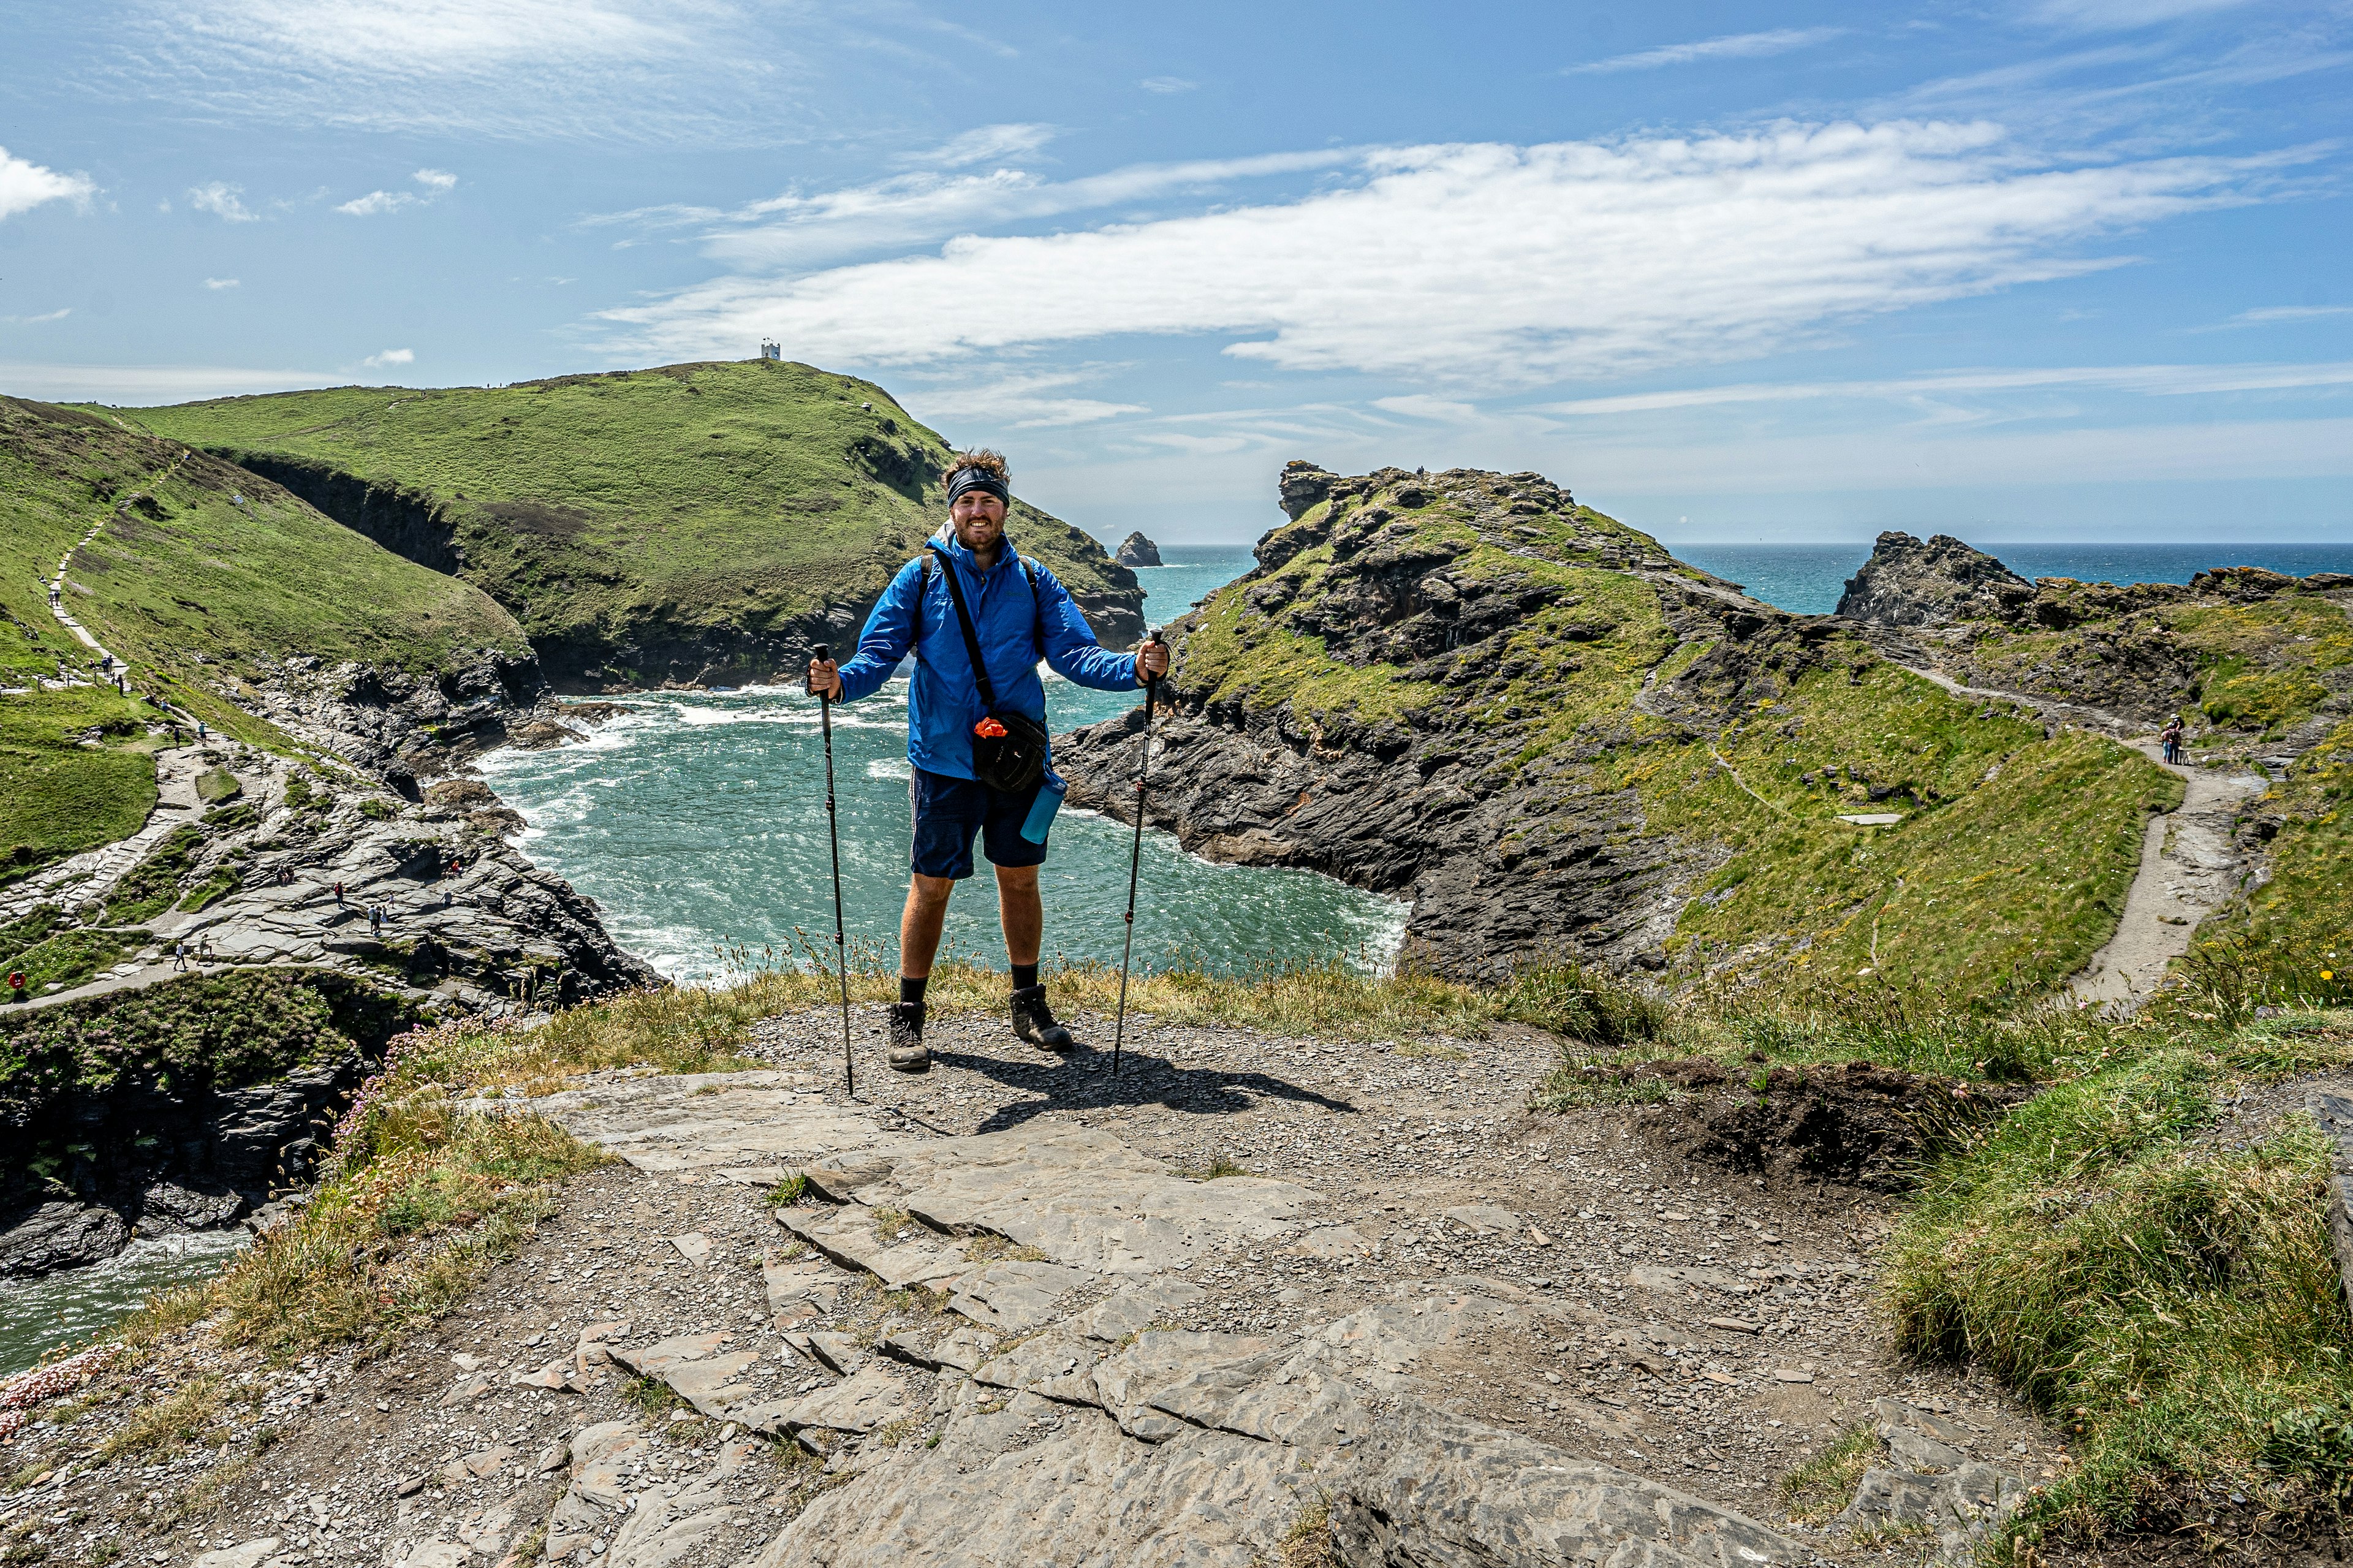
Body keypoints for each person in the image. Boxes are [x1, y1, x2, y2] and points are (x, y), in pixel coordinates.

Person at [809, 449, 1170, 1075]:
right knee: (932, 885)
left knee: (1021, 878)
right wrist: (839, 683)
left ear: (1005, 507)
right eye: (968, 502)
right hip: (945, 761)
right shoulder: (920, 577)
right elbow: (877, 655)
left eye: (989, 501)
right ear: (953, 508)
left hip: (1018, 761)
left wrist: (1134, 669)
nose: (979, 512)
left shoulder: (1033, 579)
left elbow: (1076, 655)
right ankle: (908, 1016)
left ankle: (1028, 1004)